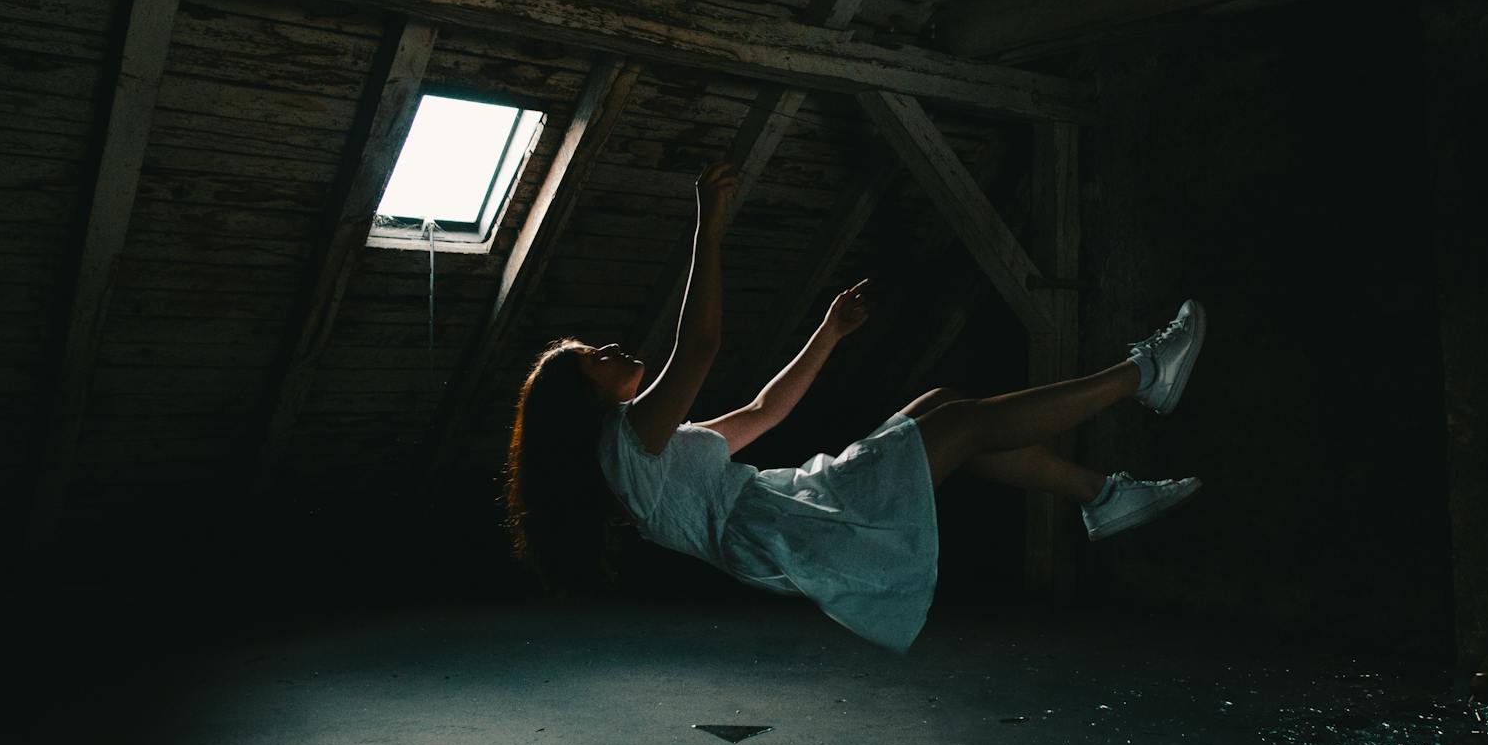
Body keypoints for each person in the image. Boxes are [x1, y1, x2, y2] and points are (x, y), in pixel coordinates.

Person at [504, 158, 1207, 653]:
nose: (613, 347)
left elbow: (762, 411)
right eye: (595, 356)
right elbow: (701, 345)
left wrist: (828, 332)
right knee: (958, 424)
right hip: (798, 529)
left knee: (943, 406)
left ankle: (1099, 496)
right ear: (584, 397)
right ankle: (1141, 373)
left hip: (795, 507)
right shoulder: (626, 442)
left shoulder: (646, 452)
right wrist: (708, 233)